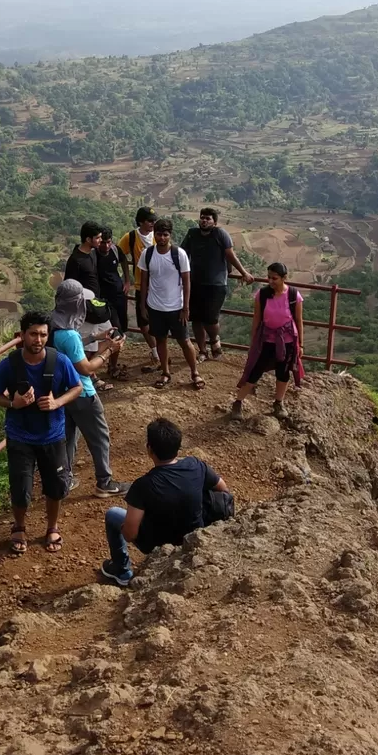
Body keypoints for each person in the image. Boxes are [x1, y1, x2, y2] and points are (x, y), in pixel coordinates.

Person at [0, 311, 85, 555]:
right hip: (19, 435)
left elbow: (77, 387)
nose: (38, 340)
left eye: (43, 334)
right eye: (33, 334)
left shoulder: (60, 361)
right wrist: (13, 403)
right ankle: (19, 526)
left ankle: (52, 526)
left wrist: (57, 402)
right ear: (22, 335)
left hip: (52, 435)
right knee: (20, 486)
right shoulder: (9, 365)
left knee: (55, 486)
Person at [100, 418, 229, 587]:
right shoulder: (195, 465)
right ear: (178, 447)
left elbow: (130, 534)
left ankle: (122, 571)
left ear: (149, 449)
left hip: (157, 545)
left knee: (113, 515)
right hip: (194, 536)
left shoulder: (142, 486)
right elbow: (223, 489)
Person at [48, 280, 129, 497]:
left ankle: (64, 479)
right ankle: (105, 482)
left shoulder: (52, 326)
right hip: (82, 392)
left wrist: (94, 337)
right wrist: (109, 350)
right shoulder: (70, 335)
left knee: (69, 437)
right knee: (100, 437)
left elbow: (66, 345)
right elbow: (85, 368)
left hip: (62, 394)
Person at [180, 207, 254, 361]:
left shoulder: (220, 234)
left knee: (211, 318)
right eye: (202, 218)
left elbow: (230, 255)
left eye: (208, 218)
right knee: (196, 319)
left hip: (216, 284)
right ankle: (202, 350)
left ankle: (214, 340)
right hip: (194, 283)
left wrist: (244, 272)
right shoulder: (192, 234)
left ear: (214, 222)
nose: (204, 221)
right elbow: (182, 254)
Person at [137, 218, 202, 390]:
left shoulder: (179, 254)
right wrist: (143, 306)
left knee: (185, 341)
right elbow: (144, 282)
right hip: (155, 307)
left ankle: (194, 372)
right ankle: (165, 373)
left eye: (165, 235)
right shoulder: (147, 254)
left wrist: (185, 308)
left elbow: (187, 282)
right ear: (155, 235)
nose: (162, 238)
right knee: (161, 341)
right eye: (159, 234)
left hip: (176, 308)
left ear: (170, 235)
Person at [232, 262, 304, 418]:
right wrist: (254, 341)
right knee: (255, 371)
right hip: (266, 340)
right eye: (269, 277)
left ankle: (279, 403)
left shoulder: (293, 295)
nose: (270, 281)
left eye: (274, 278)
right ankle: (238, 402)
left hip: (287, 341)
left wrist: (300, 345)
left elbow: (298, 320)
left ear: (284, 278)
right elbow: (257, 318)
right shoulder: (262, 294)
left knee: (283, 372)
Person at [117, 207, 158, 370]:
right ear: (141, 221)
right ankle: (155, 352)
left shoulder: (158, 236)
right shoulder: (131, 237)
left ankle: (160, 353)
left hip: (159, 286)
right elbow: (120, 255)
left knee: (159, 320)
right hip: (142, 285)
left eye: (154, 220)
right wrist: (127, 279)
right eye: (149, 221)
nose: (152, 224)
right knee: (144, 322)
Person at [97, 227, 129, 380]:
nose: (106, 246)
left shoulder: (116, 250)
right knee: (114, 332)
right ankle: (108, 367)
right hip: (104, 301)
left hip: (119, 296)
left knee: (121, 331)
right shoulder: (93, 254)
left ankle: (112, 365)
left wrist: (127, 281)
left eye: (108, 242)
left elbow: (123, 261)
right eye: (103, 243)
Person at [65, 221, 104, 296]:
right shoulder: (75, 261)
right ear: (88, 240)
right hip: (82, 304)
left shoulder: (93, 253)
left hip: (94, 302)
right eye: (98, 238)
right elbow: (69, 287)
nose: (101, 240)